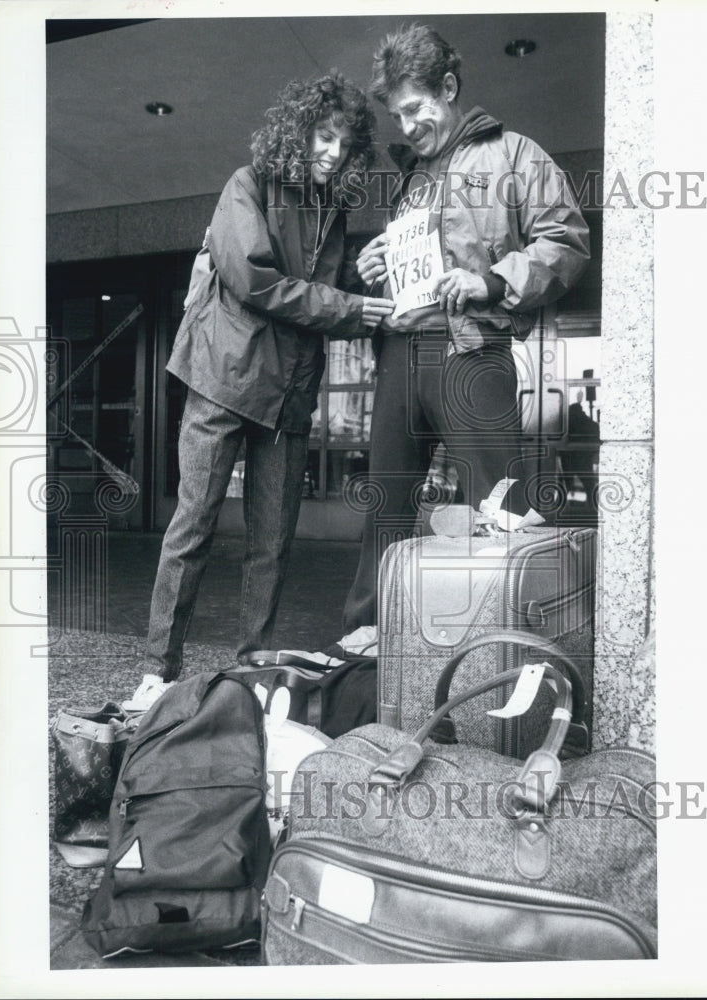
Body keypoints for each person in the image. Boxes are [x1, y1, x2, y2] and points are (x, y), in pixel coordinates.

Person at [124, 72, 394, 710]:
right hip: (222, 379)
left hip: (288, 399)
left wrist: (364, 274)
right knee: (192, 529)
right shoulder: (245, 185)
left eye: (346, 144)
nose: (333, 152)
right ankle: (156, 672)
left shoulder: (335, 211)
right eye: (325, 136)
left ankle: (253, 671)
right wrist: (355, 306)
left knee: (272, 545)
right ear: (299, 131)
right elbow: (256, 281)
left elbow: (312, 295)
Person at [340, 24, 591, 643]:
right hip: (402, 354)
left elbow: (566, 240)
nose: (406, 126)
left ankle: (496, 648)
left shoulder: (514, 155)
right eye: (397, 114)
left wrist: (493, 282)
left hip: (473, 352)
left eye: (416, 108)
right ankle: (370, 645)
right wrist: (378, 266)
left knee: (497, 509)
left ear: (448, 88)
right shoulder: (409, 182)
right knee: (387, 511)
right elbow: (411, 268)